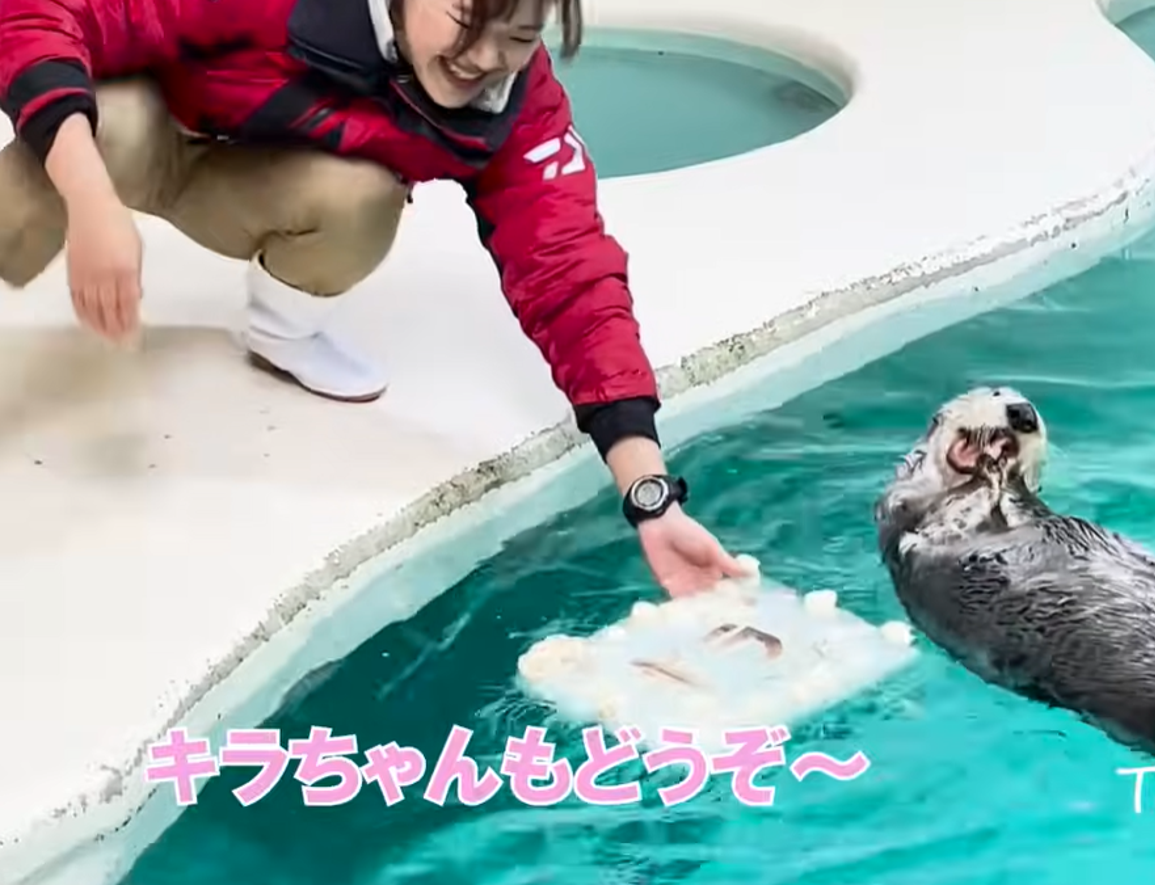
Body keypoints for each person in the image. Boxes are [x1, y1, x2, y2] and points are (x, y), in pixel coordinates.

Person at [0, 0, 748, 597]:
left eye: (517, 35)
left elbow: (571, 270)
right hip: (147, 127)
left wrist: (650, 497)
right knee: (99, 126)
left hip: (255, 183)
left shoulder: (518, 103)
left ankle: (283, 331)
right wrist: (89, 197)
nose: (485, 59)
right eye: (464, 16)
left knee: (363, 197)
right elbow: (38, 12)